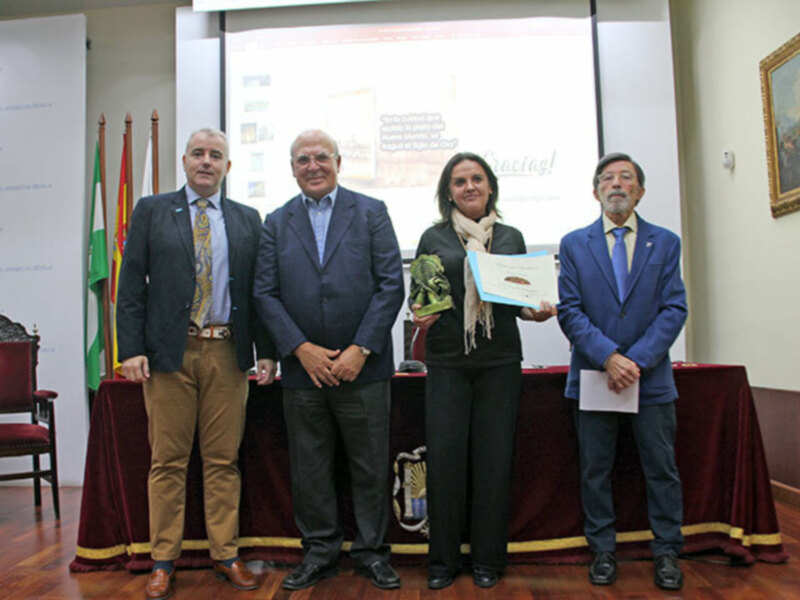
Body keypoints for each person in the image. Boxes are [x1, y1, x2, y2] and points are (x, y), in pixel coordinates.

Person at [117, 128, 277, 600]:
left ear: (228, 167)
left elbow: (259, 293)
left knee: (223, 460)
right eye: (199, 154)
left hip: (228, 353)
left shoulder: (248, 219)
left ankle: (225, 555)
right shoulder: (151, 210)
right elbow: (131, 288)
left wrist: (265, 350)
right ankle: (162, 561)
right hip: (171, 355)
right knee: (167, 461)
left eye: (217, 156)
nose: (207, 162)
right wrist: (131, 349)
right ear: (184, 161)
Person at [253, 129, 405, 591]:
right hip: (304, 372)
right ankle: (319, 552)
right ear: (292, 167)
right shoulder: (276, 222)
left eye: (321, 157)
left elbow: (389, 284)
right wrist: (300, 349)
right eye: (303, 159)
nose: (313, 165)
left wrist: (361, 348)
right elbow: (265, 292)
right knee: (310, 468)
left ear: (339, 162)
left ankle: (373, 554)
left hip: (364, 368)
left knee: (369, 466)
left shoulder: (371, 212)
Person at [411, 152, 555, 590]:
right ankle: (443, 561)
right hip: (448, 363)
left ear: (490, 186)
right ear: (448, 191)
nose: (469, 187)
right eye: (459, 181)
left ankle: (488, 560)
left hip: (499, 363)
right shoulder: (432, 237)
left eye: (476, 179)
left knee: (493, 462)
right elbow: (420, 298)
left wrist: (538, 312)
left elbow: (521, 300)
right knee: (446, 462)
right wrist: (420, 314)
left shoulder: (510, 237)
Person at [557, 152, 688, 591]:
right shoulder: (575, 243)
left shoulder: (665, 242)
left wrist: (635, 361)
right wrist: (609, 356)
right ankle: (603, 552)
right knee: (596, 469)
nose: (616, 184)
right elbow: (570, 310)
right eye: (607, 178)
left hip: (649, 379)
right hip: (595, 375)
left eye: (626, 178)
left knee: (661, 468)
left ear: (640, 191)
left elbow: (674, 308)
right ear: (595, 191)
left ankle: (668, 552)